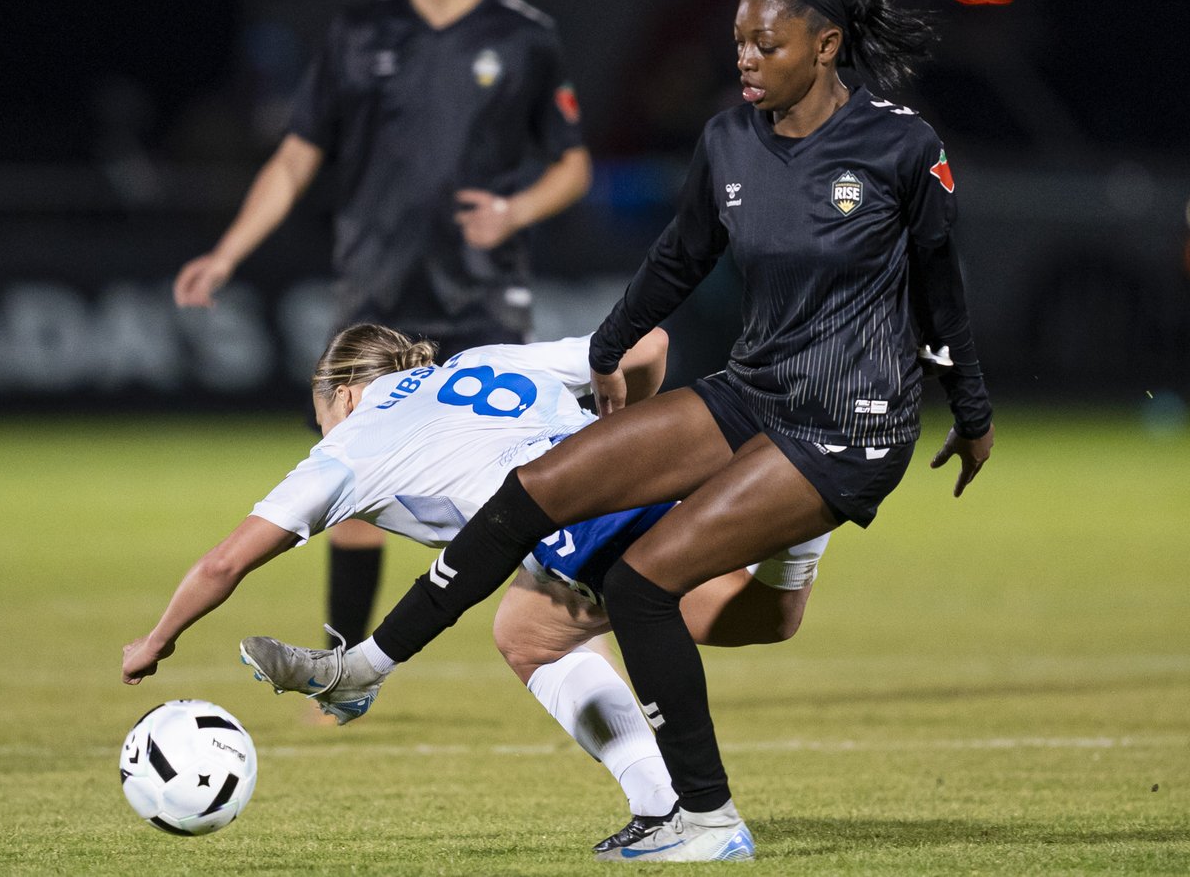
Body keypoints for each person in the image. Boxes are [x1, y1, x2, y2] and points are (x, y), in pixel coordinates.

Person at [256, 0, 997, 863]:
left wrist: (969, 411)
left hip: (847, 425)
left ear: (826, 46)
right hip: (755, 390)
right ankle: (360, 667)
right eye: (738, 40)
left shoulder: (900, 144)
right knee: (540, 487)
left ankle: (708, 819)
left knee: (642, 585)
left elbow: (942, 283)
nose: (745, 59)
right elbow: (680, 259)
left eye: (767, 44)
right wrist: (606, 350)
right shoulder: (729, 138)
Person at [121, 324, 830, 853]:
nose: (320, 425)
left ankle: (682, 808)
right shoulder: (481, 362)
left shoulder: (344, 450)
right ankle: (798, 501)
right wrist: (623, 425)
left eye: (320, 410)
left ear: (339, 394)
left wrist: (156, 641)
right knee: (538, 628)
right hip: (630, 476)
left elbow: (223, 564)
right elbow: (645, 342)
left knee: (703, 619)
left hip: (575, 528)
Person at [171, 0, 592, 650]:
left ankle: (575, 644)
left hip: (483, 289)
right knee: (356, 488)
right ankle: (341, 666)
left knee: (541, 483)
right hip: (377, 290)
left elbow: (572, 165)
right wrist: (227, 253)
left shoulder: (525, 36)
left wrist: (515, 212)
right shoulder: (360, 32)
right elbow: (297, 155)